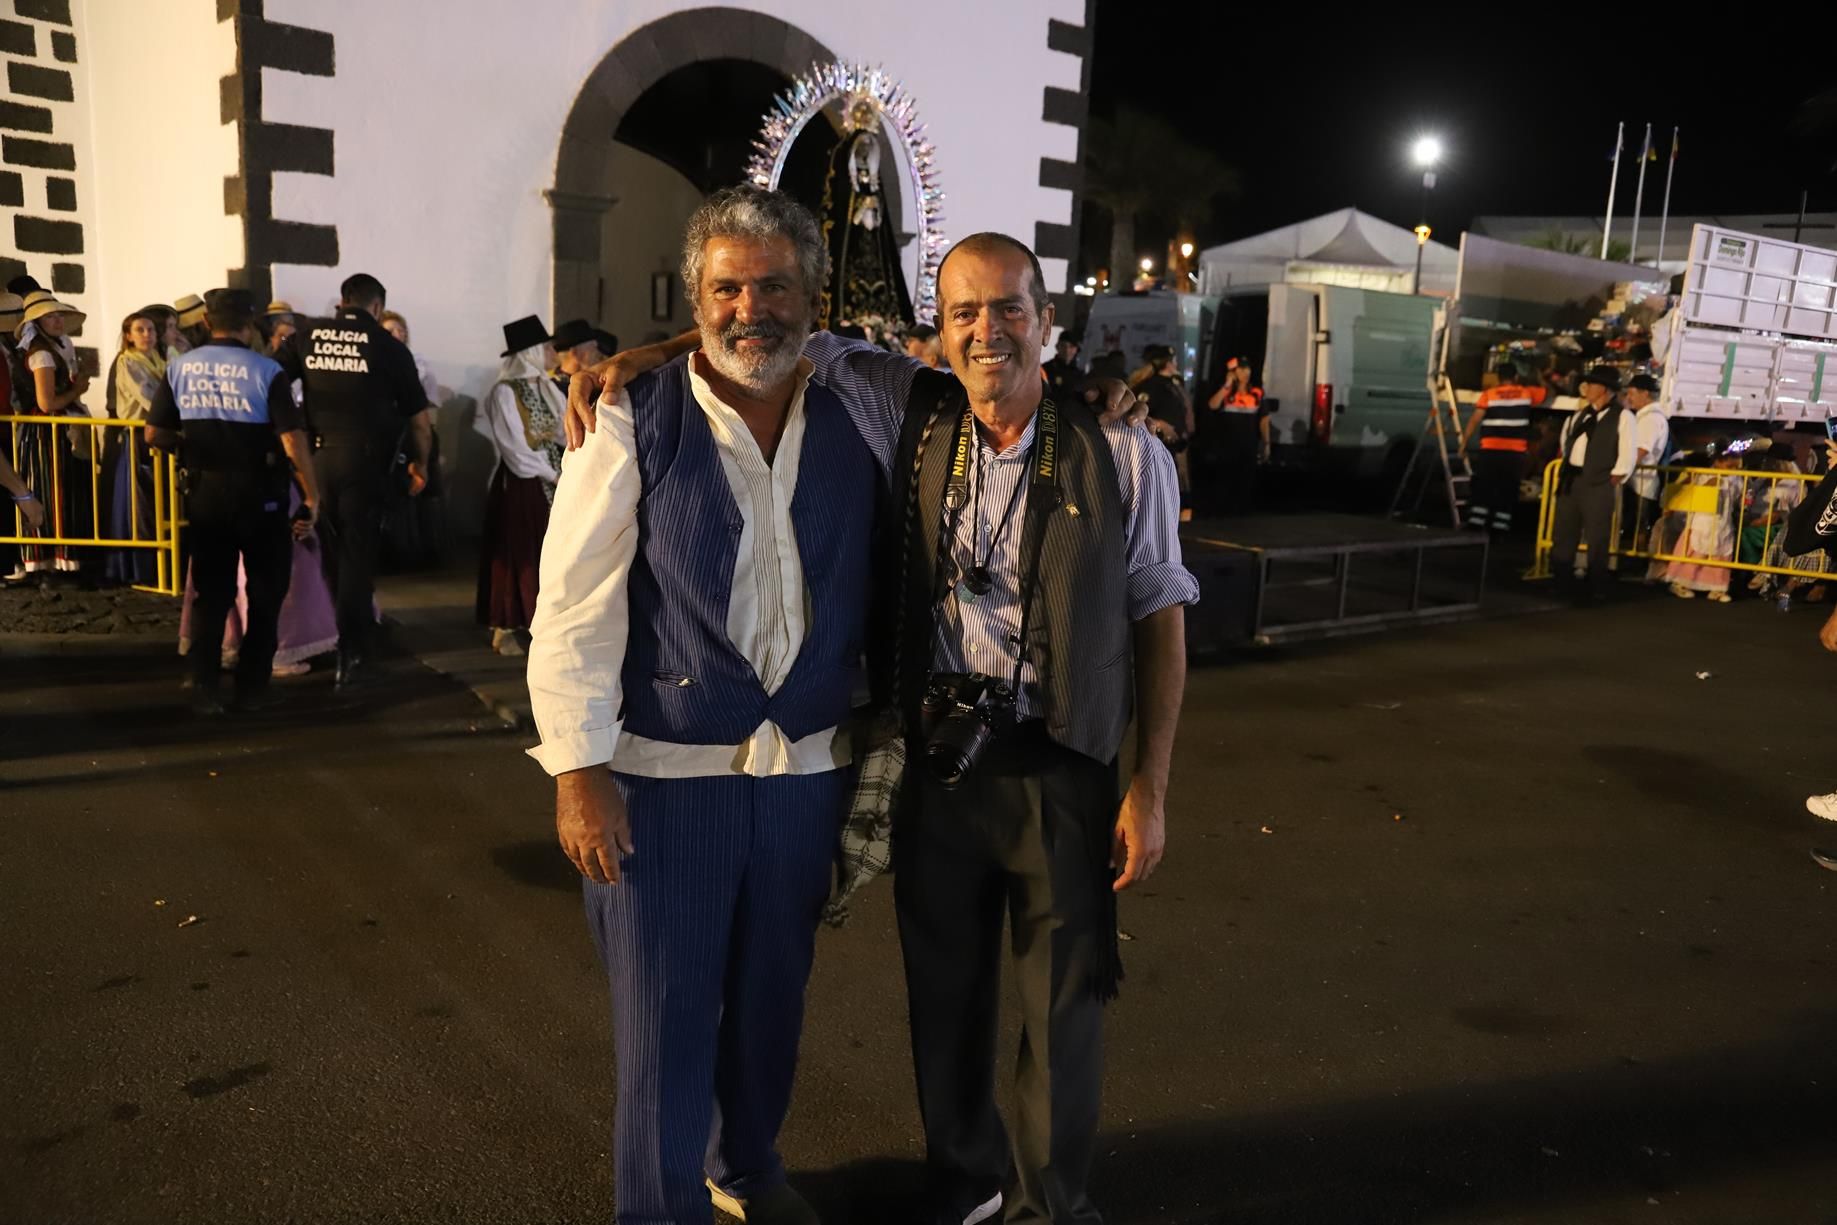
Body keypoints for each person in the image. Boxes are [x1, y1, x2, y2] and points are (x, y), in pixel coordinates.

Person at [529, 187, 866, 1225]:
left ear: (812, 295)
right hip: (662, 783)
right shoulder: (628, 414)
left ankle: (745, 1166)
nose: (747, 308)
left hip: (804, 776)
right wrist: (578, 771)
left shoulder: (859, 405)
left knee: (771, 1004)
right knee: (665, 1028)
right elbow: (572, 605)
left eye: (773, 286)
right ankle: (658, 1209)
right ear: (694, 299)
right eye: (725, 289)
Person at [144, 289, 319, 713]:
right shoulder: (266, 370)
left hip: (205, 494)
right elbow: (291, 439)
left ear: (207, 321)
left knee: (211, 593)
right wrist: (311, 495)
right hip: (261, 495)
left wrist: (190, 448)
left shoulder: (180, 368)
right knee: (265, 593)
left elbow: (154, 434)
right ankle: (252, 688)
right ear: (250, 324)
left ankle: (202, 684)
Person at [275, 271, 431, 687]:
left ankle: (330, 638)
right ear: (377, 307)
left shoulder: (306, 336)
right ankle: (353, 652)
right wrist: (421, 463)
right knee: (357, 559)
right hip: (364, 466)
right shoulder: (389, 346)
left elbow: (271, 382)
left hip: (316, 461)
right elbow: (419, 421)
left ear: (342, 301)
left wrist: (289, 434)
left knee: (327, 553)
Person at [475, 315, 563, 656]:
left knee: (548, 549)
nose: (554, 353)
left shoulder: (545, 386)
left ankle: (544, 620)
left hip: (552, 475)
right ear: (532, 352)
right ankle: (510, 623)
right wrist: (551, 474)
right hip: (524, 482)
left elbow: (560, 430)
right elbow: (515, 450)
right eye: (547, 347)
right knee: (522, 549)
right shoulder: (505, 393)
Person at [17, 289, 92, 576]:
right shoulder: (42, 354)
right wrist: (76, 390)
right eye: (50, 317)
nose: (58, 321)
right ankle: (48, 560)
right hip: (46, 434)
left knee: (67, 492)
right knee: (52, 491)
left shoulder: (60, 345)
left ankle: (65, 558)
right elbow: (46, 403)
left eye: (59, 315)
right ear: (37, 323)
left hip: (60, 429)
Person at [1549, 366, 1633, 603]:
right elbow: (1566, 442)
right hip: (1572, 481)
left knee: (1597, 536)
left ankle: (1597, 584)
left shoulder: (1622, 417)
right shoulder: (1578, 416)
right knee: (1564, 532)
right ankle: (1561, 580)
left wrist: (1614, 476)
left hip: (1598, 482)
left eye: (1592, 384)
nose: (1586, 388)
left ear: (1604, 389)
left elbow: (1627, 450)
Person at [104, 311, 167, 585]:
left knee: (157, 501)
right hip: (138, 434)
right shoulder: (128, 361)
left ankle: (159, 565)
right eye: (140, 330)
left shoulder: (161, 360)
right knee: (138, 504)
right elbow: (148, 396)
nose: (147, 335)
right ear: (128, 336)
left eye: (151, 329)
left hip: (159, 433)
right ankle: (139, 567)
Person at [1652, 440, 1742, 602]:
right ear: (1717, 462)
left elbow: (1738, 499)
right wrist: (1708, 485)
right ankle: (1679, 582)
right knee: (1694, 553)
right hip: (1702, 522)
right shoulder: (1703, 474)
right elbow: (1688, 492)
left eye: (1736, 467)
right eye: (1729, 466)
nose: (1733, 470)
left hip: (1723, 524)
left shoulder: (1737, 479)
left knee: (1720, 555)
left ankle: (1717, 588)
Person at [1463, 362, 1546, 533]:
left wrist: (1464, 442)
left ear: (1498, 378)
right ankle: (1499, 528)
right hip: (1514, 452)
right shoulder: (1527, 392)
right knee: (1507, 488)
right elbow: (1548, 392)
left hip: (1490, 449)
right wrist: (1541, 378)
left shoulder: (1489, 394)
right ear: (1516, 377)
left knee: (1484, 486)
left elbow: (1475, 419)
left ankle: (1476, 523)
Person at [1201, 356, 1267, 515]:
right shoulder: (1226, 392)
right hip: (1227, 447)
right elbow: (1212, 405)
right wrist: (1227, 384)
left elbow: (1264, 419)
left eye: (1247, 369)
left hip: (1248, 447)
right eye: (1241, 369)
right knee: (1225, 483)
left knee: (1245, 484)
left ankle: (1241, 514)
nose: (1246, 372)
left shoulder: (1256, 393)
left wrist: (1266, 442)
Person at [1622, 372, 1670, 549]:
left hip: (1640, 484)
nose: (1629, 398)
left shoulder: (1650, 419)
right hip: (1638, 482)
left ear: (1645, 393)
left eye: (1632, 393)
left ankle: (1635, 560)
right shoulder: (1646, 416)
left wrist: (1619, 469)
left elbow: (1640, 451)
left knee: (1637, 529)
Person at [1041, 331, 1082, 400]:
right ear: (1057, 347)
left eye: (1071, 346)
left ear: (1076, 349)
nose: (1067, 350)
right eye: (1063, 346)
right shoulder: (1045, 370)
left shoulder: (1081, 373)